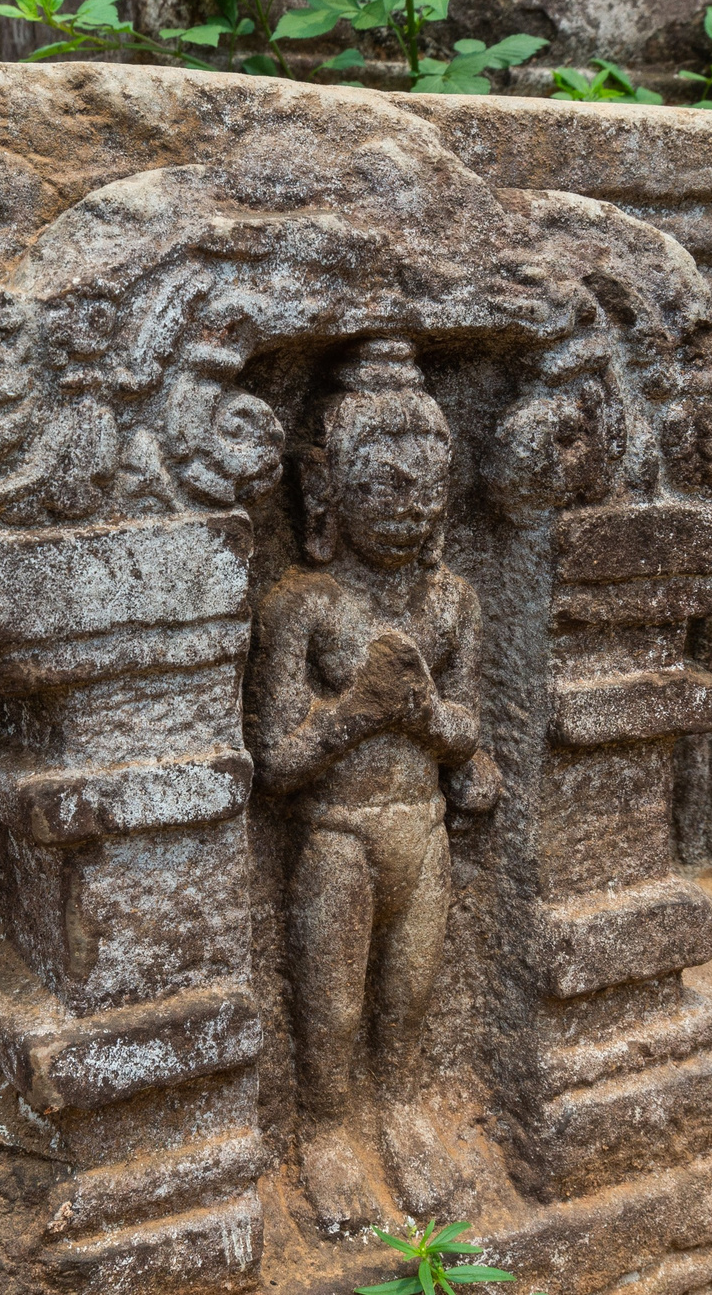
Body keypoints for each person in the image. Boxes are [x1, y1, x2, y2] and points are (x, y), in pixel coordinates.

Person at [249, 337, 498, 1229]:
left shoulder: (451, 602)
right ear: (324, 489)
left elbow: (466, 729)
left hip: (422, 833)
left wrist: (423, 714)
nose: (408, 508)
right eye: (384, 486)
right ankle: (325, 1129)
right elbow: (277, 759)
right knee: (333, 1006)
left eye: (426, 490)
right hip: (340, 836)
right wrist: (358, 708)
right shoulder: (303, 606)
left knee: (408, 998)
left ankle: (400, 1111)